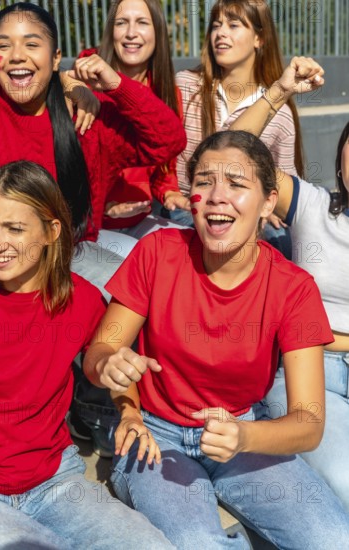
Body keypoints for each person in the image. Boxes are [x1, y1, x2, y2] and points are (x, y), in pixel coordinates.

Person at [81, 59, 349, 550]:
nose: (216, 197)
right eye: (203, 182)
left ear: (270, 202)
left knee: (334, 537)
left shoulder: (292, 287)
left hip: (244, 431)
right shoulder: (158, 252)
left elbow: (308, 422)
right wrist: (113, 372)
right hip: (155, 438)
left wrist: (244, 438)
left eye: (237, 184)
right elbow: (102, 352)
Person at [0, 160, 174, 550]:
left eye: (15, 228)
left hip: (57, 481)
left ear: (52, 231)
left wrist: (130, 410)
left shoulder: (81, 298)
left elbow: (102, 359)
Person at [0, 2, 186, 295]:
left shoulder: (87, 116)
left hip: (75, 256)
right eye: (5, 44)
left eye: (31, 44)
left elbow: (169, 140)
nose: (17, 56)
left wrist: (117, 85)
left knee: (142, 291)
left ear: (55, 59)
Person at [228, 55, 349, 514]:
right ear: (341, 157)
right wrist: (279, 92)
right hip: (314, 369)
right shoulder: (312, 205)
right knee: (345, 480)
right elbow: (232, 147)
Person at [171, 0, 303, 253]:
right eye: (216, 25)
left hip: (240, 212)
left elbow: (286, 183)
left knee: (280, 240)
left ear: (259, 39)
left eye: (233, 25)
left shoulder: (280, 112)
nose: (220, 33)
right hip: (185, 208)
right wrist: (170, 193)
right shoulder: (186, 85)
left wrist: (268, 207)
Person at [75, 0, 190, 247]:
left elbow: (164, 164)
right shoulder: (84, 85)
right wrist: (104, 206)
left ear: (158, 31)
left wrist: (168, 192)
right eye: (121, 23)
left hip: (145, 217)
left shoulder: (166, 91)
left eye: (142, 23)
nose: (130, 33)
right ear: (110, 31)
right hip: (93, 225)